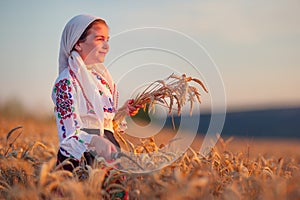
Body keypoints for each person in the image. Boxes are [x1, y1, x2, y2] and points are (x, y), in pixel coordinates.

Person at [52, 14, 139, 171]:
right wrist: (95, 141)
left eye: (107, 39)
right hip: (79, 157)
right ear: (78, 43)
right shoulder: (65, 83)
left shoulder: (102, 80)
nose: (107, 46)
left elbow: (105, 123)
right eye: (99, 39)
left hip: (108, 151)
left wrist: (122, 112)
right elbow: (69, 135)